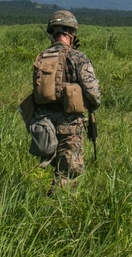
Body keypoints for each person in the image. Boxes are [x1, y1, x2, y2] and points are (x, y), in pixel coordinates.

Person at [28, 10, 101, 191]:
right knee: (69, 173)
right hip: (69, 127)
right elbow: (93, 94)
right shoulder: (77, 57)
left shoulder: (41, 57)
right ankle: (57, 211)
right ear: (71, 32)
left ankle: (46, 202)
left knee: (54, 170)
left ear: (52, 33)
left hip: (44, 126)